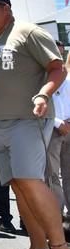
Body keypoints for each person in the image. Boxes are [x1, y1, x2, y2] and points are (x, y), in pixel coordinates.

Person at [0, 0, 70, 249]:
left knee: (31, 181)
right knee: (18, 185)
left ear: (6, 8)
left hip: (27, 119)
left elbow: (56, 68)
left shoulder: (28, 32)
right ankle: (38, 247)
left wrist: (43, 94)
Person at [46, 45, 70, 217]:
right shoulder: (41, 80)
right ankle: (57, 216)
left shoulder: (68, 80)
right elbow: (37, 104)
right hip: (51, 129)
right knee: (52, 175)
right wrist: (57, 123)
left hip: (69, 129)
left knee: (68, 175)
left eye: (61, 54)